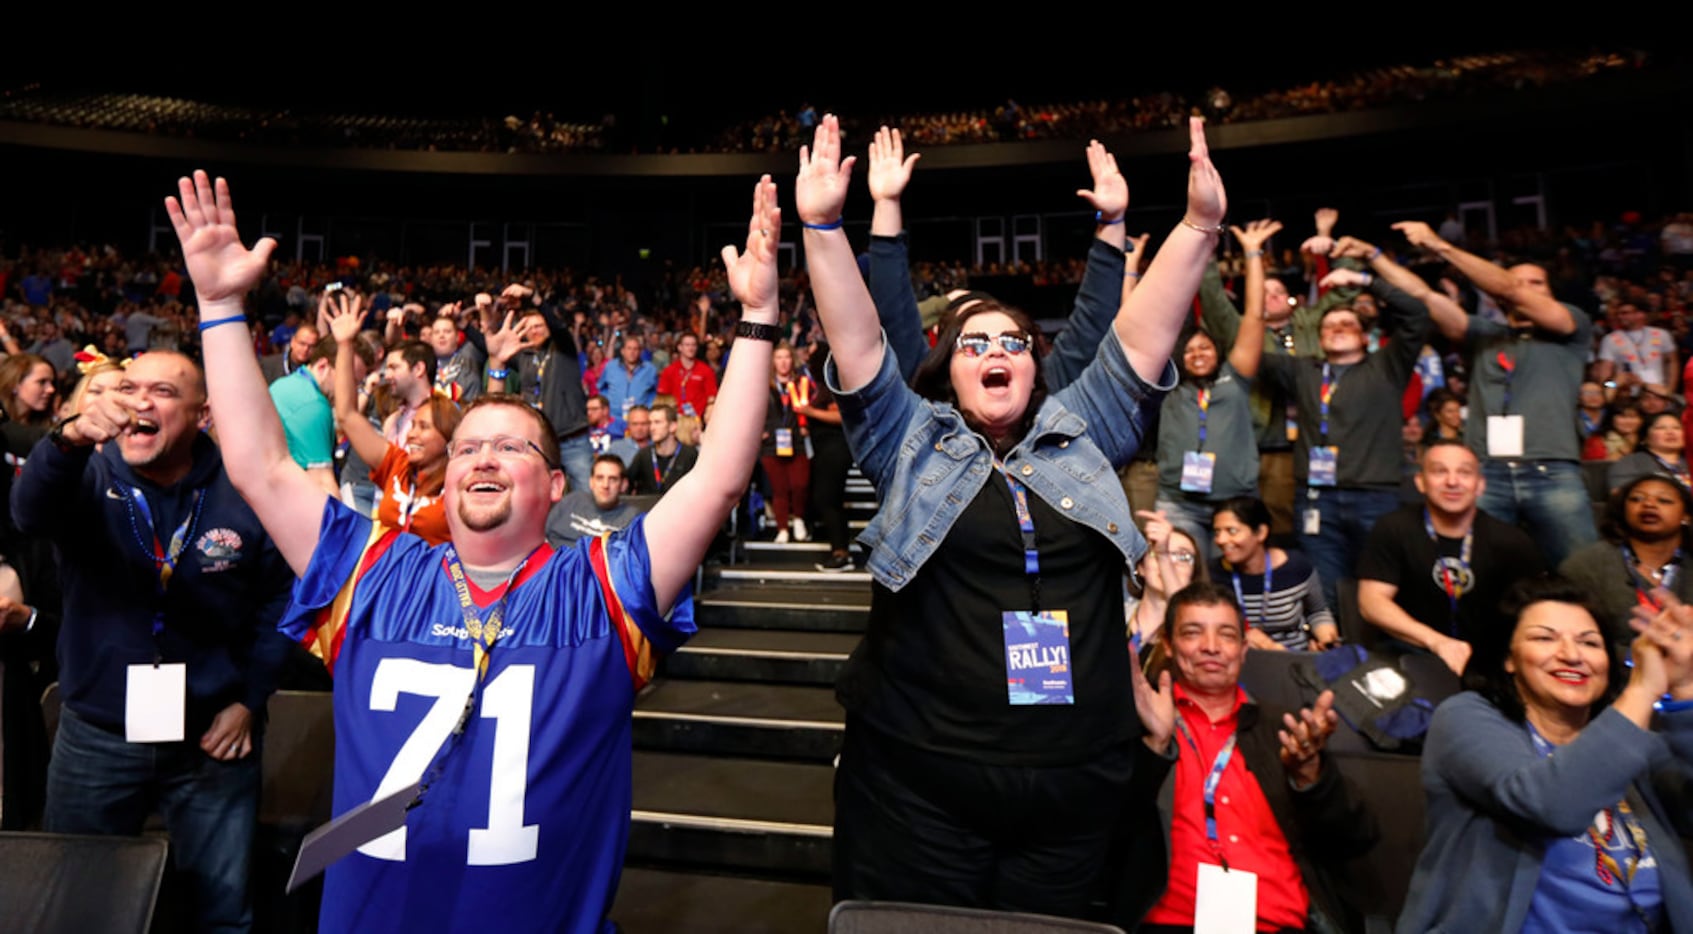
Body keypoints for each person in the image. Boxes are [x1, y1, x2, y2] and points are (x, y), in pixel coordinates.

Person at [168, 168, 777, 932]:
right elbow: (260, 466)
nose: (482, 457)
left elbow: (719, 478)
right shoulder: (374, 570)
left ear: (556, 486)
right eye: (468, 447)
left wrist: (757, 316)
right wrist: (220, 306)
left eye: (509, 447)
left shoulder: (603, 585)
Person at [805, 113, 1224, 916]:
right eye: (972, 344)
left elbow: (1137, 336)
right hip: (920, 780)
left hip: (1072, 784)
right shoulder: (907, 441)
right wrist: (825, 227)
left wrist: (1197, 225)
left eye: (1013, 341)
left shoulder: (1086, 433)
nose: (994, 351)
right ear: (944, 370)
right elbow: (860, 346)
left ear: (1036, 364)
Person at [11, 349, 296, 931]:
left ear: (203, 413)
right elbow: (29, 513)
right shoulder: (86, 471)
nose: (141, 401)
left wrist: (250, 699)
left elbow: (282, 601)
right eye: (132, 387)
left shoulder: (244, 486)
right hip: (96, 733)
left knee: (221, 912)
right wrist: (67, 441)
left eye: (163, 392)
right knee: (78, 901)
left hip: (214, 738)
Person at [1396, 576, 1693, 932]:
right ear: (1509, 658)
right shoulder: (1467, 717)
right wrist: (1643, 688)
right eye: (1544, 638)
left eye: (1589, 642)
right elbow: (1551, 803)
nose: (1571, 654)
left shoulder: (1625, 736)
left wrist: (1684, 687)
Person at [1119, 581, 1377, 932]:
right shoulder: (1142, 724)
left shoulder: (1283, 729)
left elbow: (1355, 837)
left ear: (1243, 649)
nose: (1211, 647)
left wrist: (1311, 777)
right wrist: (1155, 748)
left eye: (1226, 635)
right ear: (1168, 643)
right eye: (1193, 632)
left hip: (1280, 923)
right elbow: (1105, 833)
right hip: (1172, 923)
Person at [1386, 221, 1599, 565]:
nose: (1524, 289)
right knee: (1476, 572)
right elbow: (1425, 296)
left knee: (1582, 569)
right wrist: (1373, 258)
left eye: (1536, 284)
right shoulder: (1485, 333)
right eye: (1519, 281)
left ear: (1551, 293)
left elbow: (1511, 290)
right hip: (1487, 473)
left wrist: (1441, 246)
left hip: (1552, 471)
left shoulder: (1572, 325)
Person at [1260, 246, 1433, 611]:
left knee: (1383, 587)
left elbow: (1417, 313)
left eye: (1347, 324)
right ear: (1319, 338)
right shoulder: (1304, 370)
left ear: (1364, 335)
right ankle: (1336, 656)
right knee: (1326, 591)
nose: (1337, 329)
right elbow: (1245, 349)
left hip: (1375, 495)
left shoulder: (1387, 366)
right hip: (1315, 497)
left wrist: (1364, 280)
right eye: (1329, 326)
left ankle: (1381, 657)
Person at [1358, 439, 1546, 675]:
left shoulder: (1512, 541)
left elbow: (1538, 611)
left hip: (1485, 664)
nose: (1452, 481)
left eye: (1464, 473)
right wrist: (1437, 642)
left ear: (1480, 485)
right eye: (1439, 471)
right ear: (1420, 482)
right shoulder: (1394, 528)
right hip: (1406, 656)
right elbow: (1371, 603)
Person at [1152, 219, 1275, 557]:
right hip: (1178, 504)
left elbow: (1254, 316)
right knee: (1179, 581)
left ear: (1219, 351)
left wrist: (1251, 253)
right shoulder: (1169, 386)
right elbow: (1141, 330)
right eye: (1190, 350)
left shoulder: (1235, 376)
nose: (1197, 353)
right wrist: (1133, 272)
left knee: (1233, 586)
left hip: (1235, 504)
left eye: (1205, 347)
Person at [326, 296, 460, 546]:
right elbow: (347, 415)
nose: (411, 435)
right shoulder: (397, 462)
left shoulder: (460, 481)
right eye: (413, 426)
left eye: (423, 427)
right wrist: (345, 345)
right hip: (389, 571)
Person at [1561, 474, 1693, 654]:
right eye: (1637, 499)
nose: (1649, 504)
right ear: (1623, 510)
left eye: (1664, 500)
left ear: (1686, 516)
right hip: (1613, 673)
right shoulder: (1586, 564)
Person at [483, 286, 593, 496]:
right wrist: (478, 322)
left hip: (573, 441)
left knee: (586, 499)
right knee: (535, 499)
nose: (535, 330)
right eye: (530, 327)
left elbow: (558, 325)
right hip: (539, 443)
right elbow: (491, 349)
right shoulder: (523, 357)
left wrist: (535, 299)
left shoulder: (563, 348)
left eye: (539, 325)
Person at [1210, 496, 1338, 651]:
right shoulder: (1213, 575)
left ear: (1261, 533)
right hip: (1238, 660)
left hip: (1295, 657)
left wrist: (1326, 640)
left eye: (1232, 531)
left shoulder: (1296, 567)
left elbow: (1317, 611)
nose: (1221, 540)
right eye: (1217, 532)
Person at [269, 328, 375, 496]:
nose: (352, 390)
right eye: (350, 379)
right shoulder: (313, 405)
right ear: (323, 366)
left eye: (357, 384)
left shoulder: (287, 383)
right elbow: (323, 487)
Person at [1125, 509, 1202, 654]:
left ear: (1194, 575)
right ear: (1141, 567)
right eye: (1156, 552)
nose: (1171, 564)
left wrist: (1162, 554)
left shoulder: (1199, 628)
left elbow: (1183, 613)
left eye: (1183, 557)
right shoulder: (1115, 616)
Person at [762, 341, 812, 543]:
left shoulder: (803, 383)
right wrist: (761, 431)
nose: (783, 362)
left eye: (787, 357)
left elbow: (811, 406)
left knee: (800, 484)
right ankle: (782, 527)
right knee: (779, 488)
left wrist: (807, 425)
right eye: (779, 357)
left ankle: (799, 519)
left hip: (798, 440)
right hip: (771, 443)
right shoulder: (764, 385)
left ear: (793, 360)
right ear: (773, 361)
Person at [546, 454, 640, 549]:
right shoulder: (572, 500)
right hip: (553, 558)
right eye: (599, 478)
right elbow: (541, 534)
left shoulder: (633, 518)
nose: (605, 485)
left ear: (624, 485)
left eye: (612, 479)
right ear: (591, 482)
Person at [1597, 300, 1678, 397]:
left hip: (1658, 394)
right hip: (1628, 397)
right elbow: (1604, 381)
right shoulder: (1610, 339)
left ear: (1640, 314)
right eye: (1618, 314)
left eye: (1625, 313)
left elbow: (1673, 363)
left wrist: (1670, 390)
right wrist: (1616, 384)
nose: (1620, 317)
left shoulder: (1661, 335)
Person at [1608, 411, 1690, 494]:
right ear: (1645, 438)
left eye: (1677, 428)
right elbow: (1619, 498)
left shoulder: (1689, 460)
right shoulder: (1630, 463)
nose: (1670, 432)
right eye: (1661, 428)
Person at [0, 352, 58, 469]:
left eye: (52, 383)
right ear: (16, 384)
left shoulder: (49, 428)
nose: (51, 389)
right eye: (42, 382)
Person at [627, 403, 696, 496]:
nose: (652, 428)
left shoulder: (689, 455)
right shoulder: (644, 455)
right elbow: (626, 486)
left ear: (672, 426)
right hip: (648, 509)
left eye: (657, 422)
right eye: (650, 423)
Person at [656, 331, 717, 423]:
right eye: (687, 345)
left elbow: (711, 397)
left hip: (698, 421)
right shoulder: (669, 371)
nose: (691, 348)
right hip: (676, 420)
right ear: (680, 347)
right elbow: (663, 399)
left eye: (693, 345)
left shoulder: (706, 370)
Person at [425, 312, 484, 402]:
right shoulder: (424, 363)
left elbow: (487, 344)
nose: (441, 336)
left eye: (447, 331)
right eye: (436, 332)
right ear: (431, 339)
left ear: (457, 337)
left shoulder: (469, 352)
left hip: (470, 412)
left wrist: (466, 325)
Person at [598, 334, 656, 417]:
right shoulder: (611, 366)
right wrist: (608, 404)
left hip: (639, 418)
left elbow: (654, 392)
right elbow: (602, 388)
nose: (632, 352)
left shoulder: (649, 369)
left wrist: (648, 406)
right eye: (629, 348)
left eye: (635, 349)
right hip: (614, 418)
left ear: (640, 352)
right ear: (622, 351)